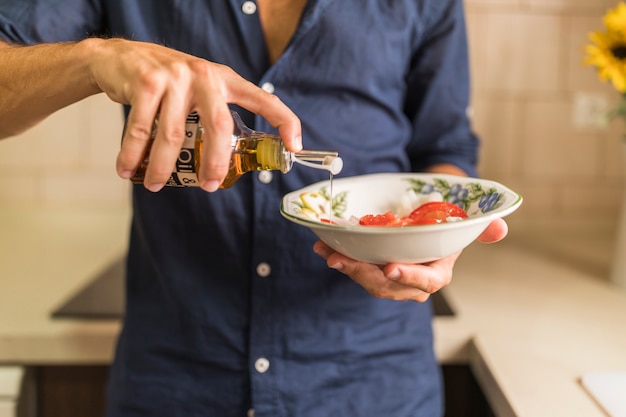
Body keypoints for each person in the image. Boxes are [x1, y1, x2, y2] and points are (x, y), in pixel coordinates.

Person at [0, 1, 508, 416]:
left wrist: (435, 236)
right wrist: (94, 58)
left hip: (369, 382)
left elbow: (445, 147)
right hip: (176, 379)